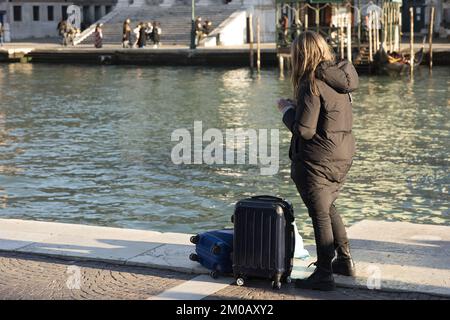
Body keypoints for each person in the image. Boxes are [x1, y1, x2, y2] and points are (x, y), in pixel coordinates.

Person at [277, 31, 358, 291]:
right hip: (342, 154)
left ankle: (324, 274)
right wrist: (298, 106)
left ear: (301, 55)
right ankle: (344, 261)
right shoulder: (339, 77)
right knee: (328, 206)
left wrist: (286, 111)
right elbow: (325, 115)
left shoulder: (310, 81)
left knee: (319, 214)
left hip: (317, 159)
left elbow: (305, 130)